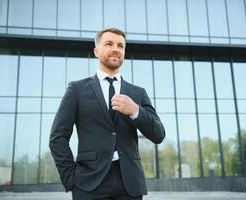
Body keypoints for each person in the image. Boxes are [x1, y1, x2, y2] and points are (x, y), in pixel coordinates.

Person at [49, 27, 165, 200]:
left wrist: (135, 111)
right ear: (96, 50)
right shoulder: (77, 89)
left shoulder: (138, 93)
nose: (116, 49)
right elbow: (58, 137)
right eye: (109, 44)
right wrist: (70, 178)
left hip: (130, 184)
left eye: (120, 45)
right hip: (89, 183)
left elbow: (158, 134)